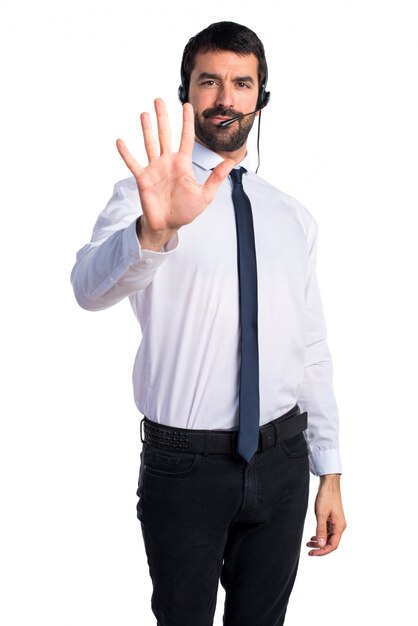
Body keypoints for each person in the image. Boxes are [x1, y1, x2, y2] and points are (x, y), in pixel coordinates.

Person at [71, 21, 346, 626]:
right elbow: (88, 290)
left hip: (282, 463)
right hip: (185, 468)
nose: (226, 97)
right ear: (187, 93)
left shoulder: (291, 217)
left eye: (242, 83)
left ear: (260, 98)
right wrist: (154, 230)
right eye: (210, 81)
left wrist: (328, 467)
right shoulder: (144, 196)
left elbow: (312, 347)